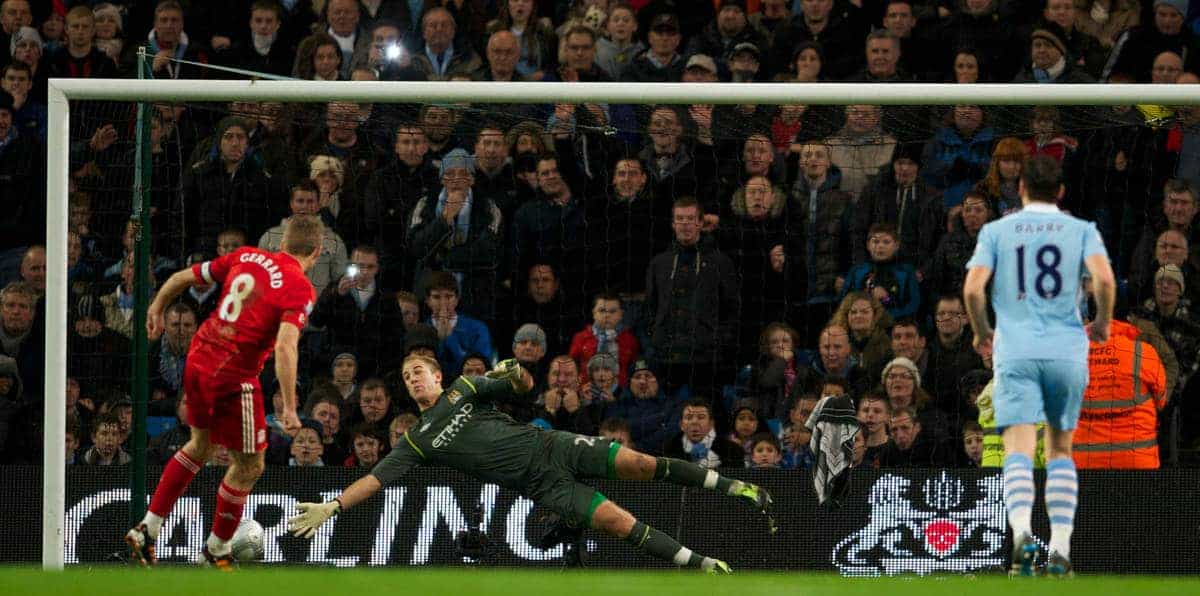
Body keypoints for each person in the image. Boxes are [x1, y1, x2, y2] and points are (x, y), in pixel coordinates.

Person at [288, 356, 773, 573]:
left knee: (643, 463)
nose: (415, 380)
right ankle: (706, 565)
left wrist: (513, 371)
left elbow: (522, 386)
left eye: (421, 372)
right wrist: (331, 506)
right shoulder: (418, 438)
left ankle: (736, 488)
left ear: (438, 376)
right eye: (408, 378)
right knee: (619, 522)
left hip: (553, 447)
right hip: (540, 486)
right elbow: (375, 479)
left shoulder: (467, 388)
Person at [125, 215, 325, 568]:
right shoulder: (299, 287)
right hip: (234, 376)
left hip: (199, 358)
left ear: (281, 244)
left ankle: (147, 528)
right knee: (250, 465)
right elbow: (285, 346)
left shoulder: (246, 255)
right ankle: (216, 550)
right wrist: (291, 407)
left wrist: (155, 307)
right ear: (318, 252)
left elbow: (180, 277)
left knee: (200, 445)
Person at [963, 155, 1116, 577]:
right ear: (1061, 192)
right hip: (1067, 350)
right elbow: (1104, 281)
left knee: (1018, 449)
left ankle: (1022, 541)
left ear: (1022, 188)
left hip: (1016, 349)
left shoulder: (997, 230)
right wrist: (1101, 323)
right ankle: (1062, 549)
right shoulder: (1082, 230)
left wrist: (980, 332)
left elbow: (973, 289)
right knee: (1061, 450)